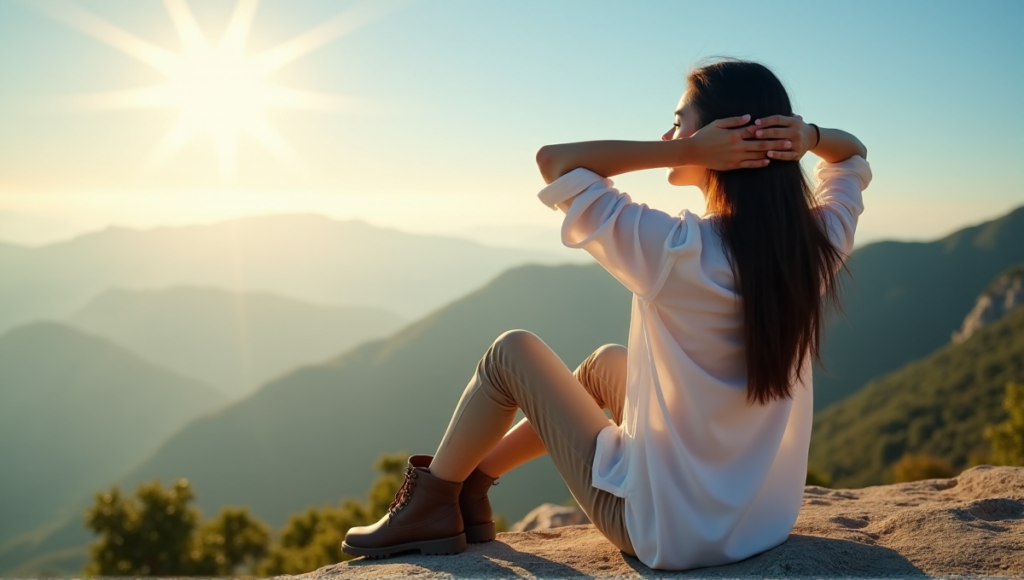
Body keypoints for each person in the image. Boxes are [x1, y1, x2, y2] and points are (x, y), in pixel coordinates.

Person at [342, 58, 870, 571]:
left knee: (510, 353)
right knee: (604, 365)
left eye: (680, 124)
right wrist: (809, 136)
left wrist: (686, 152)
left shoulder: (677, 247)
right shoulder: (817, 242)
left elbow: (554, 160)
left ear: (718, 137)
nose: (670, 138)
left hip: (666, 534)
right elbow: (851, 157)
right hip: (761, 522)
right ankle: (473, 484)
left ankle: (430, 507)